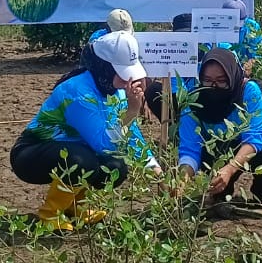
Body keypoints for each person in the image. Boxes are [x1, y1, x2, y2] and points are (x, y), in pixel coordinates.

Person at [10, 30, 157, 229]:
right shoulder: (78, 93)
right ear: (104, 67)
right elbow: (103, 144)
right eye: (122, 74)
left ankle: (74, 206)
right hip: (32, 153)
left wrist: (155, 169)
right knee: (83, 161)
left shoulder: (117, 91)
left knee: (116, 166)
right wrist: (132, 111)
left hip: (76, 151)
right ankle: (50, 214)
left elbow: (130, 134)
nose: (128, 81)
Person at [179, 49, 262, 207]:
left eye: (221, 80)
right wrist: (182, 179)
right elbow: (190, 148)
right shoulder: (193, 98)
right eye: (207, 80)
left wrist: (230, 168)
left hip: (246, 148)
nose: (214, 87)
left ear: (232, 75)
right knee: (218, 191)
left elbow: (255, 136)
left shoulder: (248, 90)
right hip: (216, 151)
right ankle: (220, 194)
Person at [219, 0, 262, 74]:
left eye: (240, 21)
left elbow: (257, 52)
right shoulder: (216, 27)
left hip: (247, 72)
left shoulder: (252, 27)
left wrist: (250, 64)